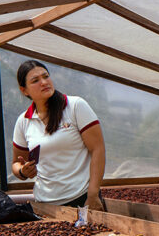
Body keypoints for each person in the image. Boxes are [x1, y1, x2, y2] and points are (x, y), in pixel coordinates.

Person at [11, 60, 106, 210]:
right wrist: (23, 171)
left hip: (81, 198)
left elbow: (97, 149)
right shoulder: (23, 121)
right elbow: (16, 163)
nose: (44, 82)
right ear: (24, 90)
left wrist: (93, 194)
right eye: (35, 80)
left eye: (46, 76)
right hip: (45, 205)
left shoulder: (75, 106)